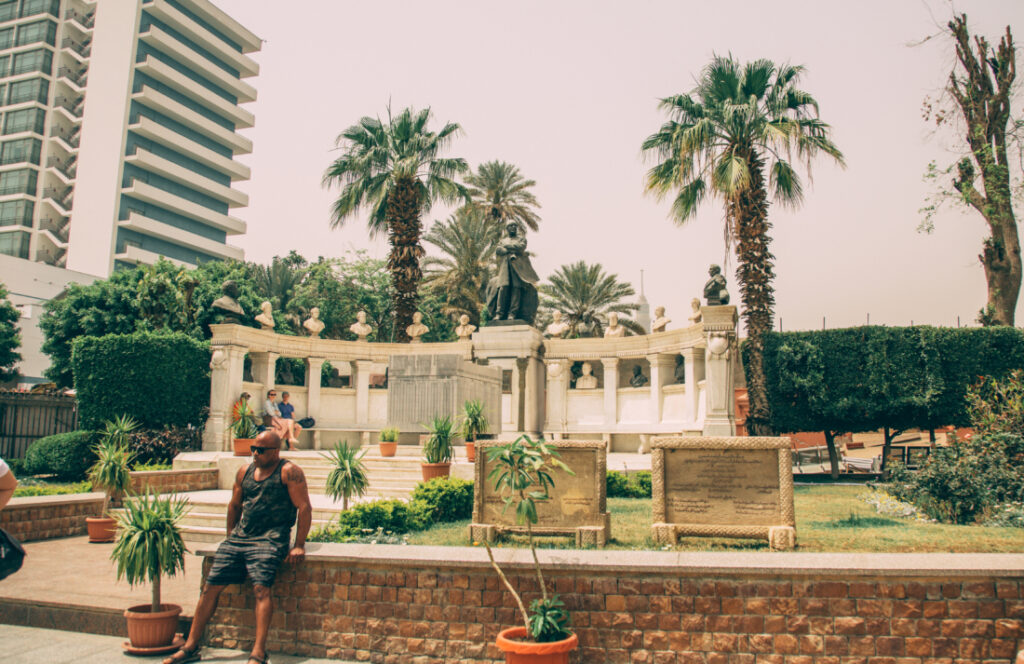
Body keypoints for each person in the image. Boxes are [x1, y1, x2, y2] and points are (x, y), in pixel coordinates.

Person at [162, 431, 312, 664]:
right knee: (210, 589)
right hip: (240, 539)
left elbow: (304, 507)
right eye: (254, 448)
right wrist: (230, 536)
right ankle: (191, 646)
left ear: (275, 451)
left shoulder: (289, 472)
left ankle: (258, 653)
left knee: (261, 590)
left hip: (271, 539)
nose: (255, 453)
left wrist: (299, 545)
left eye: (261, 450)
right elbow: (234, 505)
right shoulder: (245, 472)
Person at [486, 221, 540, 322]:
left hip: (518, 267)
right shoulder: (503, 240)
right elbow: (498, 250)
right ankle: (499, 314)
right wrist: (510, 249)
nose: (513, 227)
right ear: (507, 228)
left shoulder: (521, 239)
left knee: (516, 288)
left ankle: (512, 314)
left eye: (515, 225)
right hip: (505, 266)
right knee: (503, 288)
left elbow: (521, 247)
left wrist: (507, 248)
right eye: (510, 226)